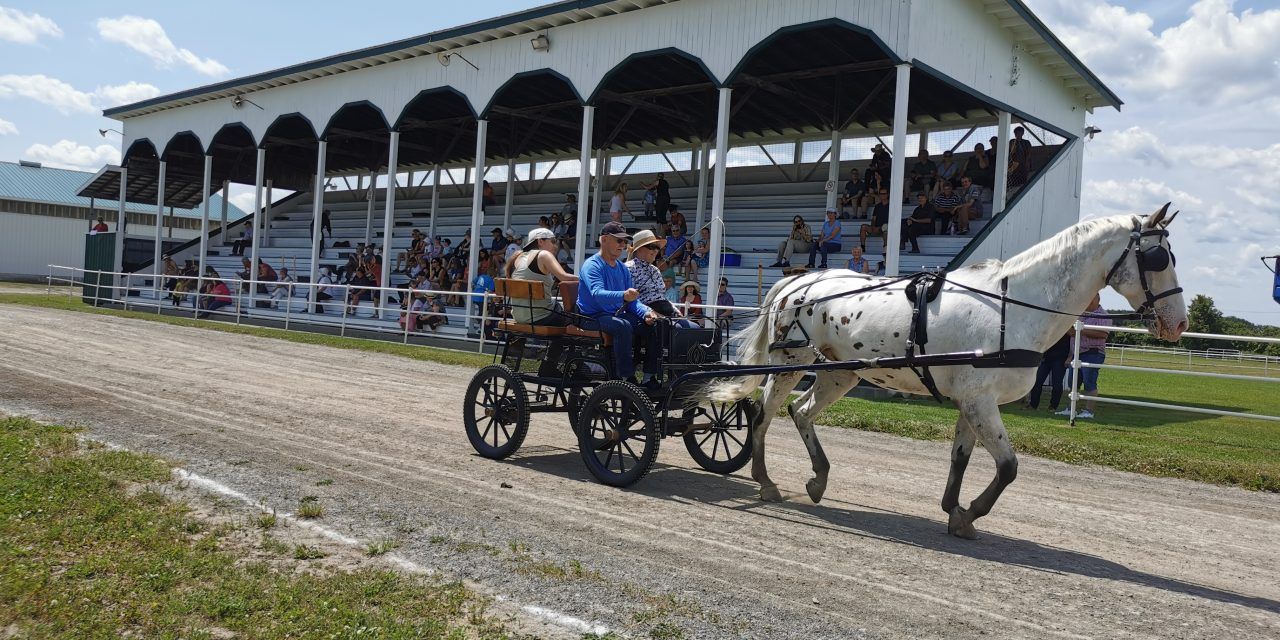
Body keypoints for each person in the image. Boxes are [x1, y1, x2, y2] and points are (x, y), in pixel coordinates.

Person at [575, 221, 659, 385]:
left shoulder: (622, 268)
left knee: (655, 325)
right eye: (619, 240)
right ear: (604, 240)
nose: (623, 245)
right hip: (590, 317)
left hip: (614, 315)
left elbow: (632, 301)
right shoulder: (592, 265)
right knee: (622, 326)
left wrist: (646, 312)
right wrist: (623, 296)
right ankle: (625, 377)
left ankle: (649, 376)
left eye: (625, 242)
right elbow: (597, 294)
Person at [505, 228, 578, 327]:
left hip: (519, 316)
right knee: (575, 317)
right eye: (553, 241)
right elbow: (564, 277)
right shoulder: (543, 255)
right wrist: (588, 280)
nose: (555, 246)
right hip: (541, 316)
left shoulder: (519, 256)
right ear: (540, 241)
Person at [1058, 293, 1112, 419]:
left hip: (1093, 353)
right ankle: (1071, 409)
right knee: (1073, 383)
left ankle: (1089, 411)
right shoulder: (1081, 314)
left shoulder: (1104, 315)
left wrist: (1080, 329)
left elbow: (1103, 334)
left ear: (1095, 300)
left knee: (1089, 383)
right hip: (1077, 353)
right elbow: (1073, 335)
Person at [1027, 332, 1071, 412]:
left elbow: (1073, 335)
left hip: (1061, 357)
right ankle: (1033, 404)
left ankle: (1053, 406)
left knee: (1057, 383)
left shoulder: (1066, 323)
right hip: (1046, 357)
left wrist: (1069, 357)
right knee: (1037, 381)